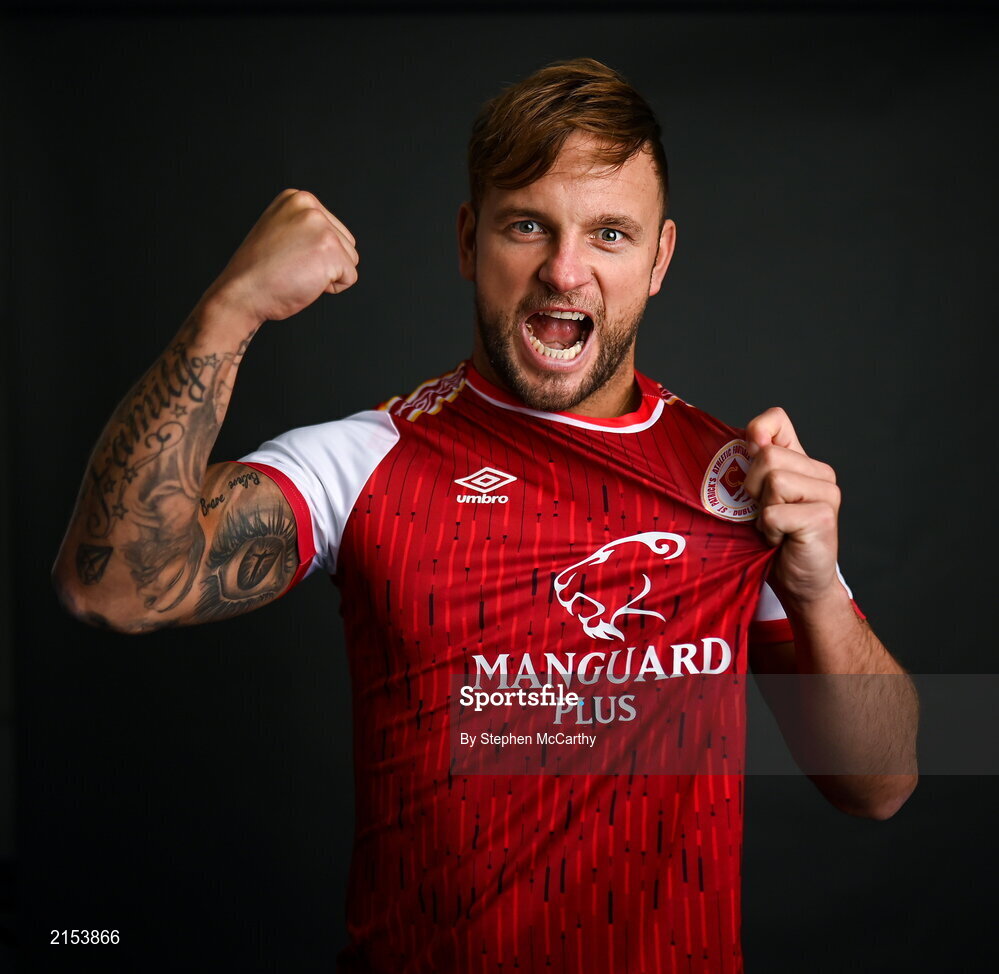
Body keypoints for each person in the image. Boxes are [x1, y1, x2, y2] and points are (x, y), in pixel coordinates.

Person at [53, 58, 917, 973]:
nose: (565, 271)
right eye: (527, 226)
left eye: (609, 234)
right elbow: (108, 587)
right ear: (469, 241)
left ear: (659, 259)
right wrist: (229, 312)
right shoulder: (363, 461)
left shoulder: (738, 480)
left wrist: (816, 584)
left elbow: (880, 785)